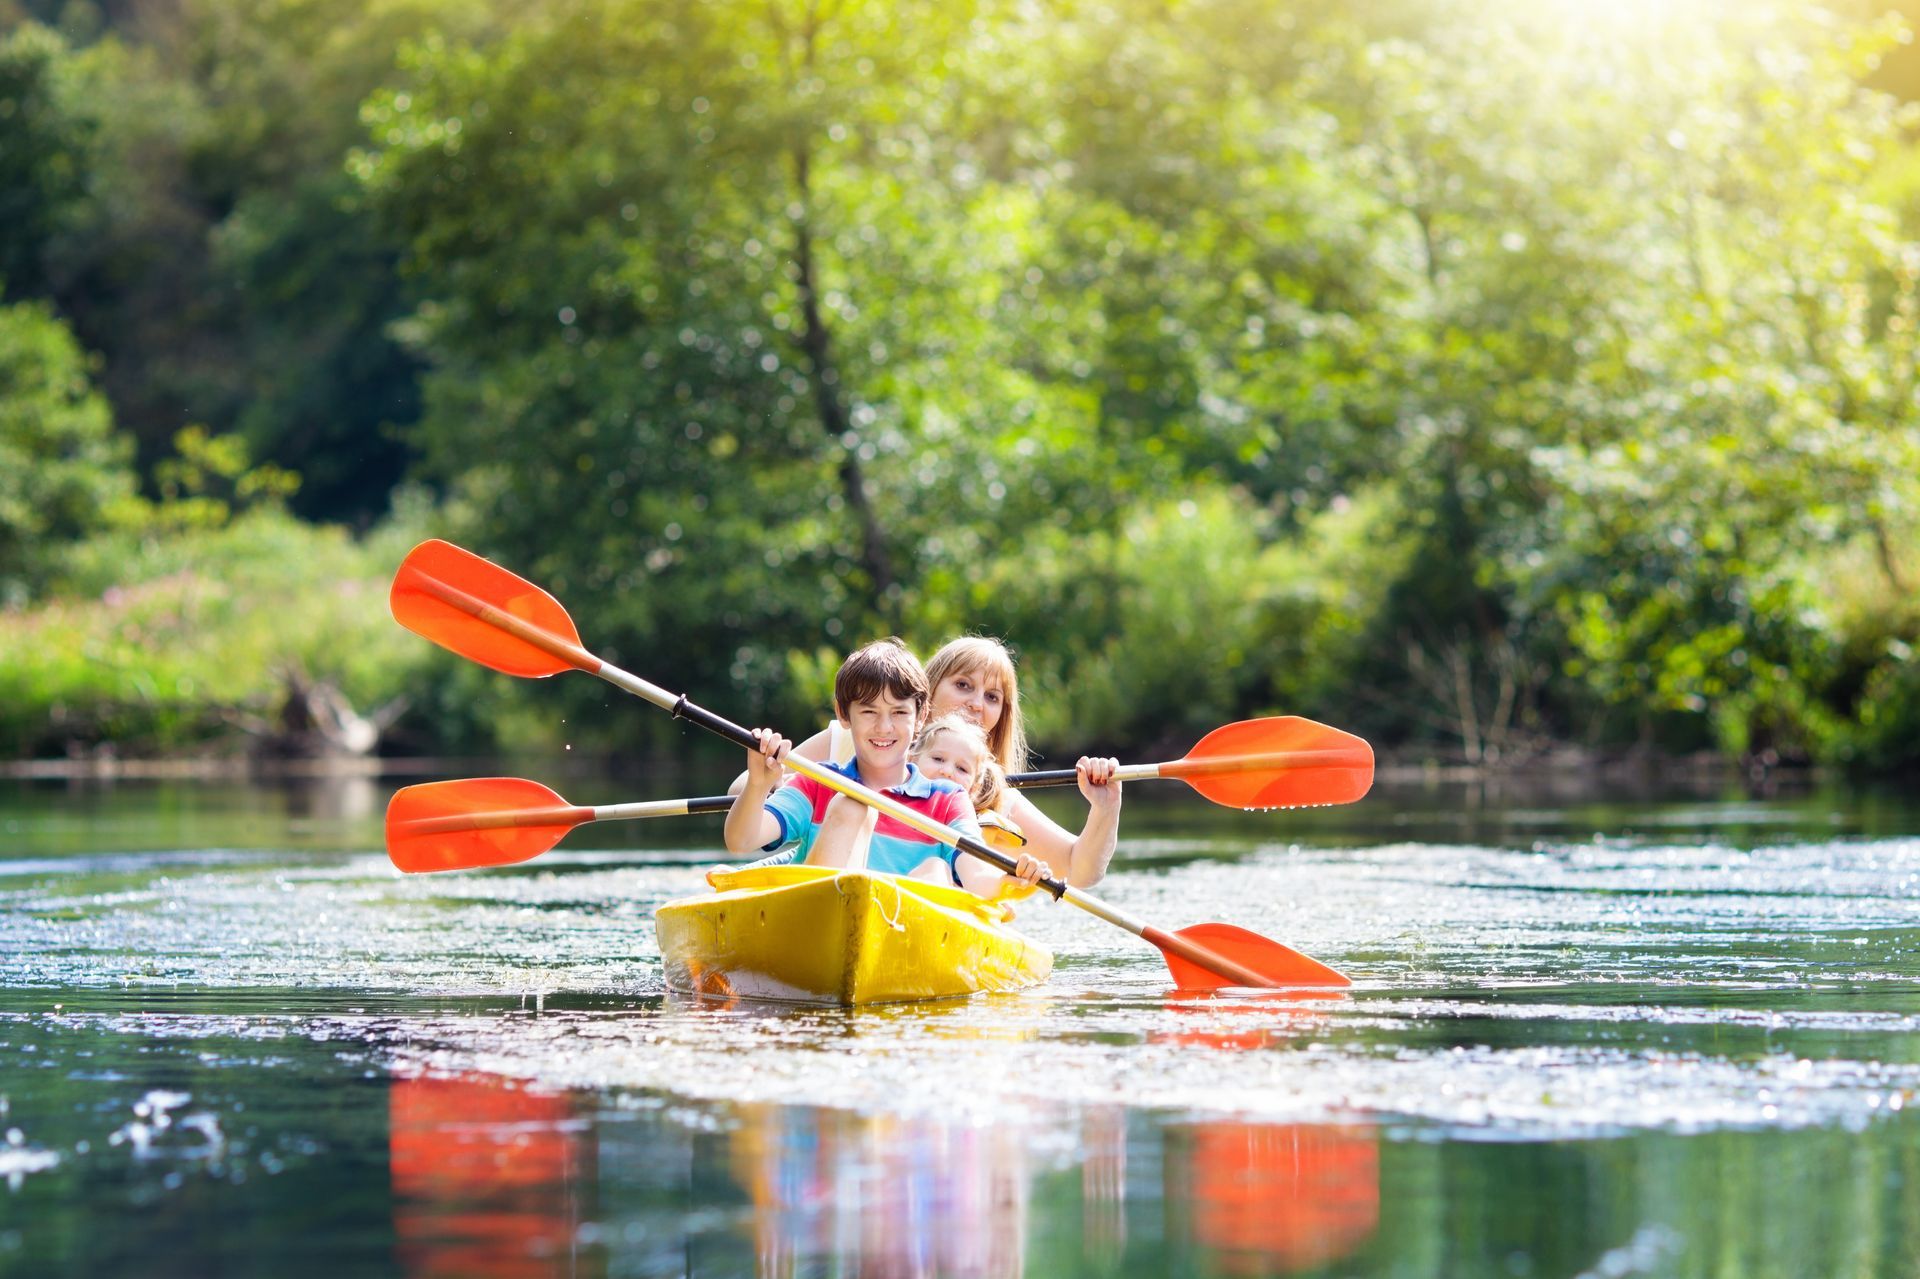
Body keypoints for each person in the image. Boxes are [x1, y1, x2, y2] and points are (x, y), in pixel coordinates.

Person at [742, 636, 1121, 887]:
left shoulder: (989, 794)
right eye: (963, 685)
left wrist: (1105, 809)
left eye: (992, 697)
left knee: (937, 869)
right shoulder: (848, 742)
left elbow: (1080, 870)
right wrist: (777, 783)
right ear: (926, 694)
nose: (976, 703)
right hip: (826, 891)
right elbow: (741, 791)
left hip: (923, 913)